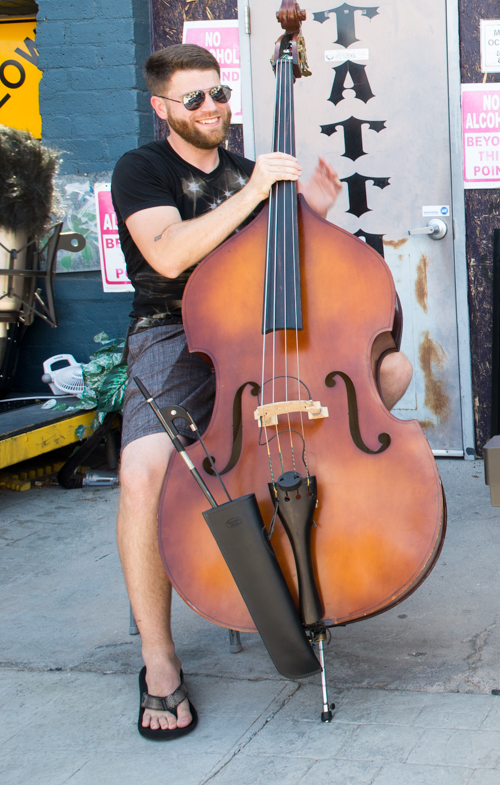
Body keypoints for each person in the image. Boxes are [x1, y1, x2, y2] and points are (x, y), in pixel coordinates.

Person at [113, 44, 413, 738]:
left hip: (254, 336)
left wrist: (308, 215)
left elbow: (282, 264)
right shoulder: (143, 169)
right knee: (143, 471)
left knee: (391, 373)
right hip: (174, 334)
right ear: (162, 107)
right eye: (194, 98)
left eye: (218, 93)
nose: (212, 107)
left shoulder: (249, 170)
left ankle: (302, 533)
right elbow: (167, 254)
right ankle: (159, 662)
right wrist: (256, 195)